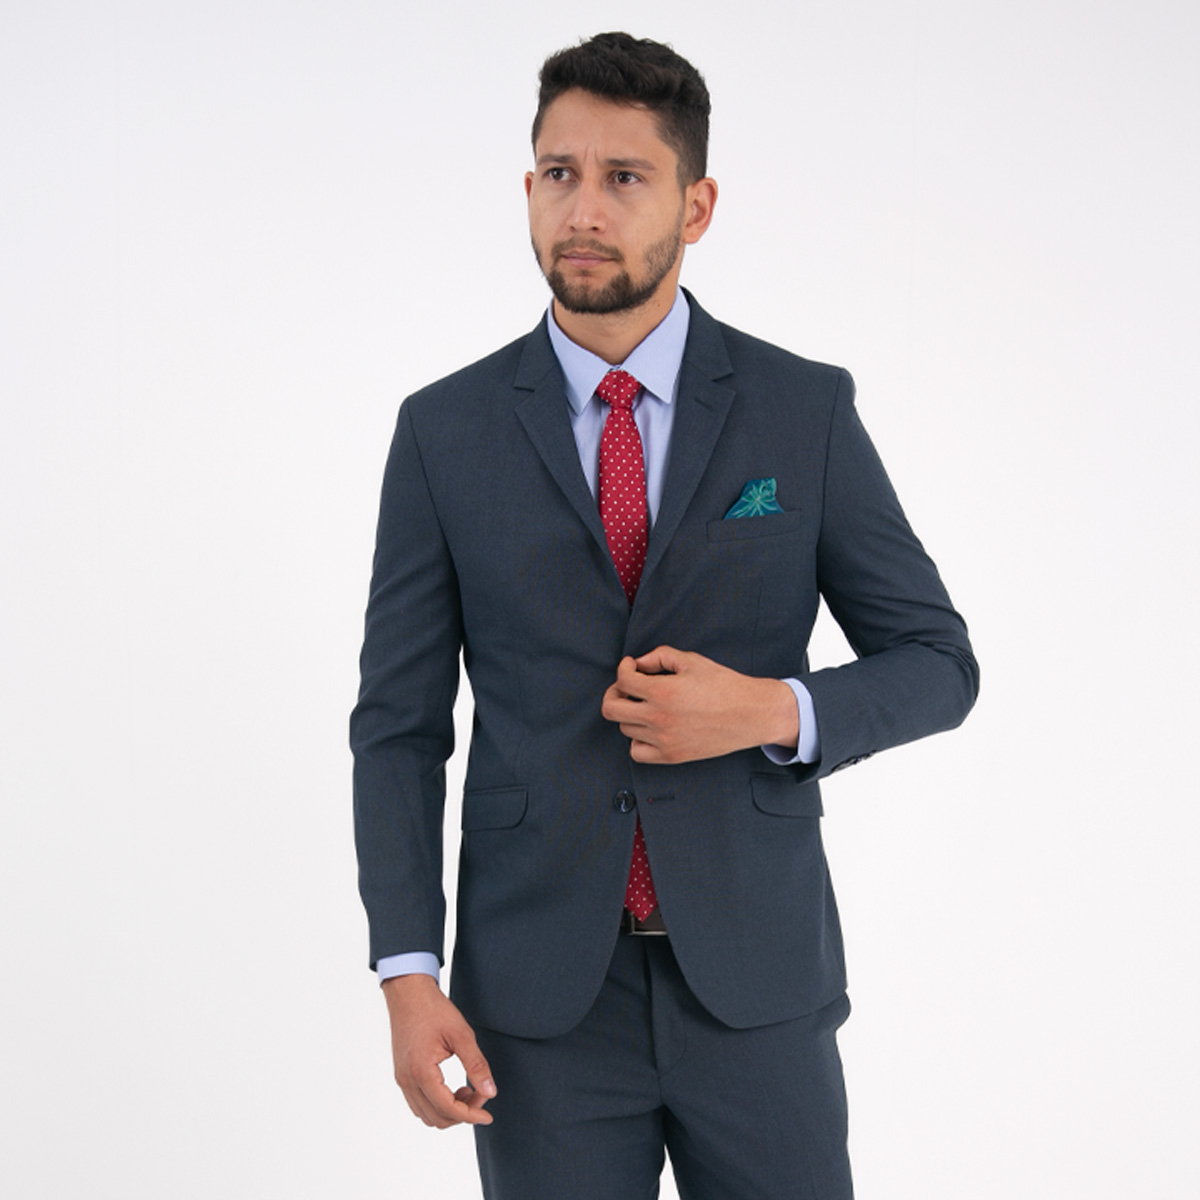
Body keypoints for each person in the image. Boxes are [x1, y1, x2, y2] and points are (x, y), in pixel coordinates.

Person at [351, 31, 977, 1200]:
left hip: (758, 986)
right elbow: (397, 728)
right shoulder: (444, 433)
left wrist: (772, 711)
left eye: (624, 177)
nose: (584, 209)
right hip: (539, 1003)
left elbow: (939, 662)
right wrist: (406, 971)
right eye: (559, 173)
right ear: (529, 188)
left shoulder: (801, 411)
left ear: (696, 206)